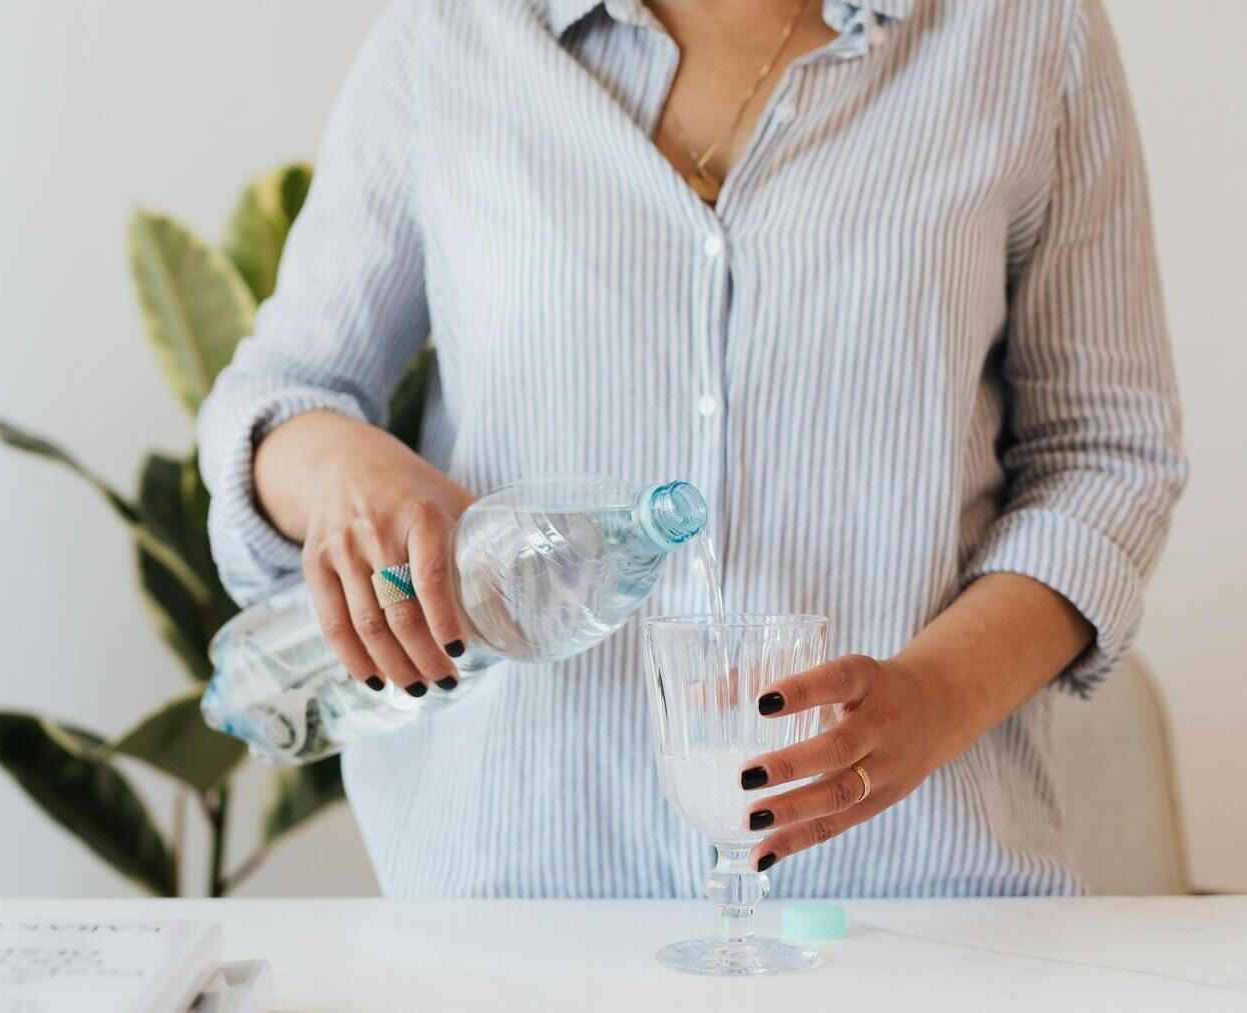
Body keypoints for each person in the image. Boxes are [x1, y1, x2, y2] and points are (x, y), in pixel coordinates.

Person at [198, 0, 1186, 898]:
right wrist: (343, 468)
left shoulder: (1026, 35)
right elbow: (280, 396)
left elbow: (1106, 455)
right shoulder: (451, 35)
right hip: (513, 899)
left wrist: (932, 698)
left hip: (911, 903)